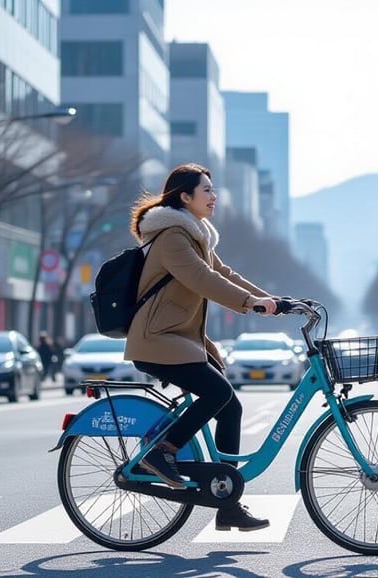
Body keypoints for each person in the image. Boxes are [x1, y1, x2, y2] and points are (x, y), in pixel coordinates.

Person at [123, 163, 277, 531]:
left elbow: (223, 273)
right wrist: (250, 304)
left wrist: (270, 299)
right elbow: (201, 278)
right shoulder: (172, 237)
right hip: (157, 340)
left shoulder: (196, 234)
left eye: (213, 189)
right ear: (185, 197)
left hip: (180, 339)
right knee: (218, 392)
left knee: (230, 406)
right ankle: (163, 452)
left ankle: (227, 503)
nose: (214, 196)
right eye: (206, 190)